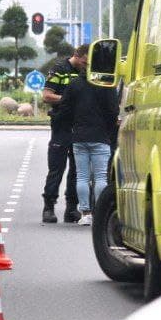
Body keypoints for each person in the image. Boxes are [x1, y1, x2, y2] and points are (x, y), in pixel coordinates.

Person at [66, 53, 119, 226]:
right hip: (101, 136)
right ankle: (99, 213)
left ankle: (85, 213)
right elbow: (113, 111)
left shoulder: (74, 84)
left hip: (79, 136)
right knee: (101, 177)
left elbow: (66, 108)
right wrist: (109, 129)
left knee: (82, 176)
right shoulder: (106, 85)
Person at [40, 45, 84, 224]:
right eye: (84, 62)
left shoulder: (86, 72)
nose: (86, 66)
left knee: (77, 169)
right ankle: (49, 207)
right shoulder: (59, 69)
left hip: (80, 126)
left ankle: (71, 208)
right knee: (56, 168)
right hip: (61, 125)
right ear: (77, 55)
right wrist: (69, 99)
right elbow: (46, 96)